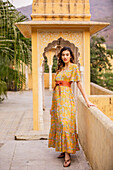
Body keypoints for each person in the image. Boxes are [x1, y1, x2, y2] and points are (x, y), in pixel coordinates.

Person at [48, 46, 95, 167]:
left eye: (67, 55)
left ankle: (68, 155)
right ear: (61, 56)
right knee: (59, 123)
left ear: (71, 56)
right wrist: (52, 106)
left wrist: (87, 100)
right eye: (63, 55)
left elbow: (79, 84)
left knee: (66, 124)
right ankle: (63, 150)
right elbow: (55, 88)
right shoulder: (59, 69)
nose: (65, 57)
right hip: (57, 100)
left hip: (67, 99)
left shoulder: (74, 68)